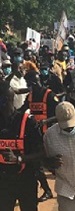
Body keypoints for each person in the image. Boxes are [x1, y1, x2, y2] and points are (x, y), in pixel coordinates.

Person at [0, 81, 44, 211]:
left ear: (6, 99)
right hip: (3, 182)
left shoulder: (27, 122)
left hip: (26, 179)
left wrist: (19, 159)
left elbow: (41, 152)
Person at [25, 71, 59, 202]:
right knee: (37, 166)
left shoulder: (49, 95)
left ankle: (70, 186)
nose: (28, 87)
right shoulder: (30, 96)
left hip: (49, 135)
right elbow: (23, 111)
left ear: (33, 83)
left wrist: (46, 121)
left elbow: (59, 114)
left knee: (53, 165)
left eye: (29, 84)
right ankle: (47, 190)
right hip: (36, 137)